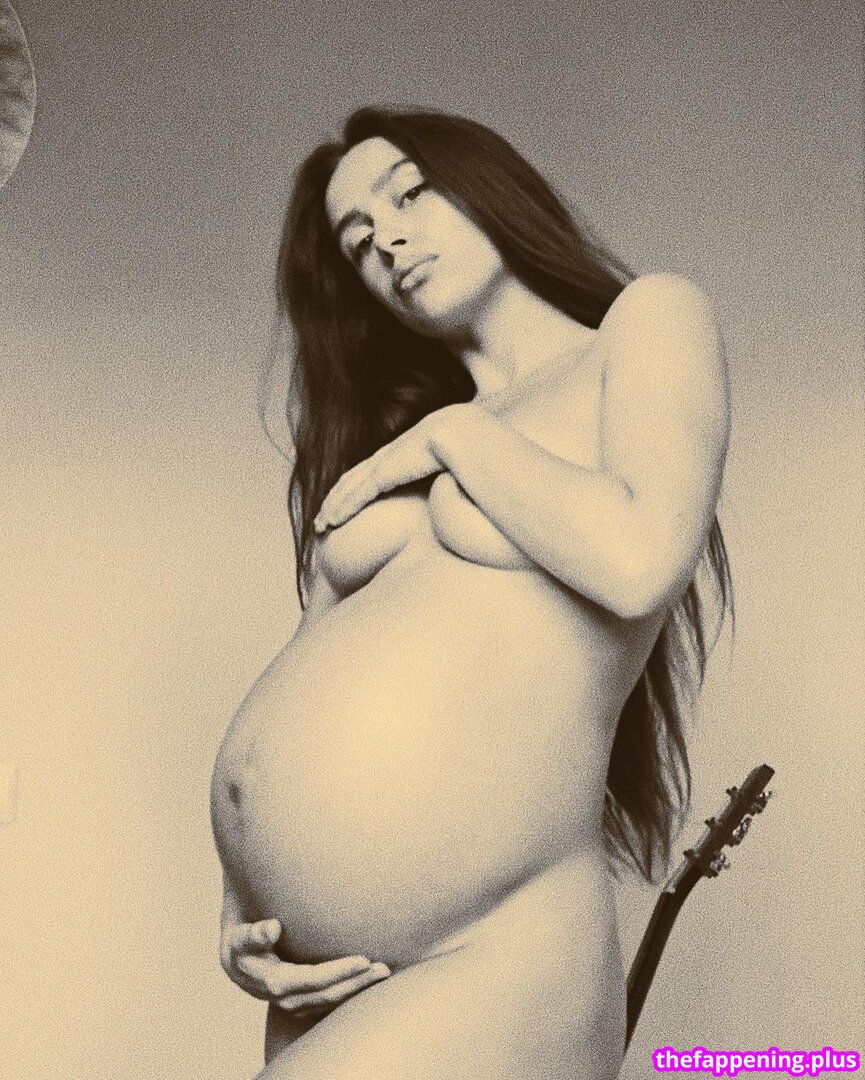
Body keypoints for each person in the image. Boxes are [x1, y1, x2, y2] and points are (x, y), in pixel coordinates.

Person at [209, 106, 733, 1080]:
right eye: (357, 241)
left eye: (408, 194)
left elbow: (638, 559)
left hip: (494, 952)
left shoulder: (642, 327)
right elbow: (311, 664)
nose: (387, 241)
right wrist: (243, 900)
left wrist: (455, 438)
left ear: (488, 187)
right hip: (322, 970)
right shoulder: (391, 443)